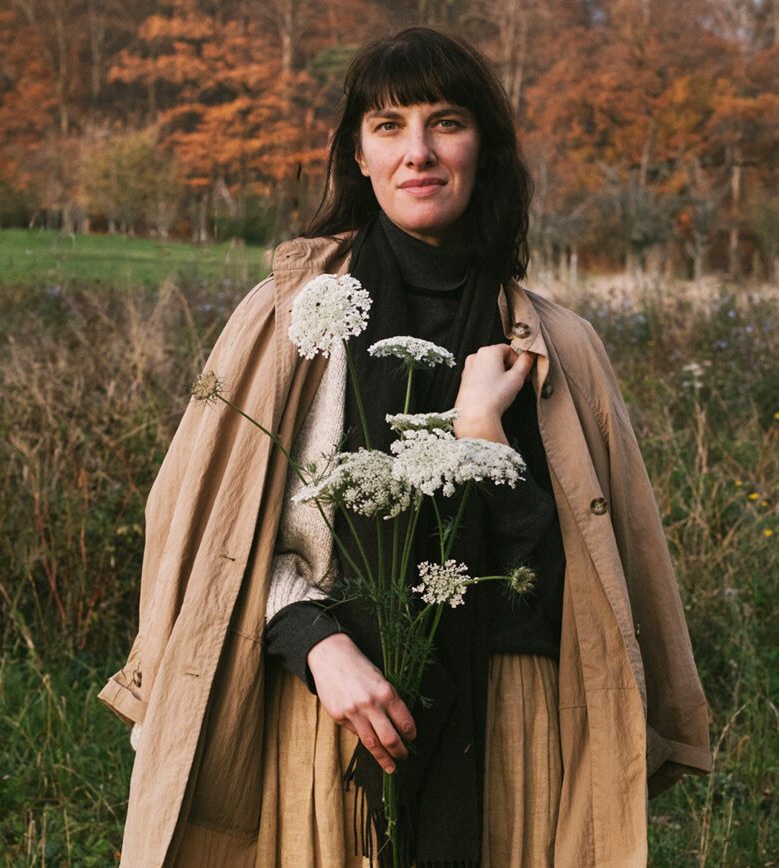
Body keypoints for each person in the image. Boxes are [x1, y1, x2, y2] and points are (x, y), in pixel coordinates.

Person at [99, 27, 711, 868]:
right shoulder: (287, 321)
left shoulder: (560, 349)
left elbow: (583, 583)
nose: (417, 152)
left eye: (445, 122)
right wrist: (314, 637)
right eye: (389, 126)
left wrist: (479, 430)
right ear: (358, 154)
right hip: (321, 729)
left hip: (515, 742)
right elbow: (208, 536)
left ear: (483, 148)